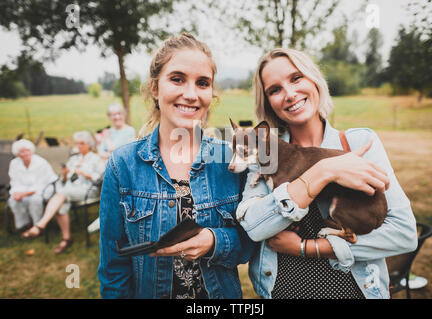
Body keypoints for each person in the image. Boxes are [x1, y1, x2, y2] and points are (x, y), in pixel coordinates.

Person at [236, 48, 418, 299]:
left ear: (314, 80)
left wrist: (308, 248)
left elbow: (404, 235)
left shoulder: (359, 143)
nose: (289, 94)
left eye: (296, 78)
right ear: (268, 102)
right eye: (274, 90)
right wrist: (324, 170)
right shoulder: (264, 153)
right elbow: (255, 227)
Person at [97, 33, 254, 299]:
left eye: (202, 83)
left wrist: (215, 241)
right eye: (177, 79)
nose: (191, 94)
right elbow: (114, 267)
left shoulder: (232, 160)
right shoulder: (122, 164)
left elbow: (252, 241)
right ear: (155, 88)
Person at [21, 131, 105, 254]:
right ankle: (66, 238)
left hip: (88, 190)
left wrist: (86, 174)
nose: (79, 146)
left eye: (82, 143)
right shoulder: (73, 158)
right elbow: (64, 180)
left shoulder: (96, 159)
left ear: (89, 144)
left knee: (61, 193)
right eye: (77, 143)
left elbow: (100, 178)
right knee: (61, 204)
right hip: (70, 189)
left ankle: (41, 225)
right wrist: (65, 174)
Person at [8, 139, 58, 230]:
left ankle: (37, 226)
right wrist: (16, 193)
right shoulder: (14, 163)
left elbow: (42, 184)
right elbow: (14, 182)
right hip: (23, 190)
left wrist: (24, 194)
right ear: (17, 154)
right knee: (13, 200)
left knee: (35, 200)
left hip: (44, 189)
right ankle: (24, 225)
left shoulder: (40, 162)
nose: (25, 153)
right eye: (22, 152)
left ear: (31, 151)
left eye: (27, 150)